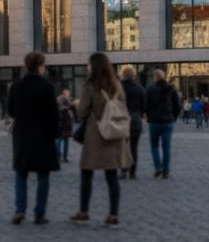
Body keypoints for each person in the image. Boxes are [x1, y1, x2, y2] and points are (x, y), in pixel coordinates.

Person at [70, 53, 129, 228]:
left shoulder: (89, 86)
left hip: (96, 134)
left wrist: (76, 104)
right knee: (112, 177)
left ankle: (84, 213)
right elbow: (123, 105)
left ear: (94, 67)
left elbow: (82, 112)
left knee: (86, 173)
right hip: (114, 133)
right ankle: (113, 215)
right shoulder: (117, 85)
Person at [7, 51, 60, 225]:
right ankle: (39, 213)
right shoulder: (47, 87)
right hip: (43, 136)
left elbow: (11, 111)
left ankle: (20, 210)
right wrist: (54, 135)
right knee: (43, 175)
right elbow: (54, 114)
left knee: (21, 174)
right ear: (40, 66)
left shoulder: (16, 87)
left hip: (22, 135)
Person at [144, 69, 181, 179]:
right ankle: (166, 171)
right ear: (164, 76)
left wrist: (148, 115)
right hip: (168, 121)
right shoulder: (171, 89)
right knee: (166, 147)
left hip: (154, 121)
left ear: (155, 77)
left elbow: (146, 105)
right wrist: (174, 117)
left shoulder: (150, 89)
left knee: (154, 146)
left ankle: (158, 168)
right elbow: (177, 106)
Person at [119, 67, 146, 179]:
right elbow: (144, 106)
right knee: (134, 147)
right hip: (135, 120)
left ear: (123, 75)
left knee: (122, 147)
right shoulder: (139, 88)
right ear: (133, 75)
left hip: (121, 119)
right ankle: (133, 172)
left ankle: (124, 170)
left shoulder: (118, 87)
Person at [56, 90, 75, 163]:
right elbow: (70, 117)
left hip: (61, 126)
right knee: (62, 141)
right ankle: (63, 157)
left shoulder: (59, 106)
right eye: (67, 94)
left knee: (60, 141)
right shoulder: (66, 107)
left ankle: (60, 157)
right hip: (64, 126)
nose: (68, 95)